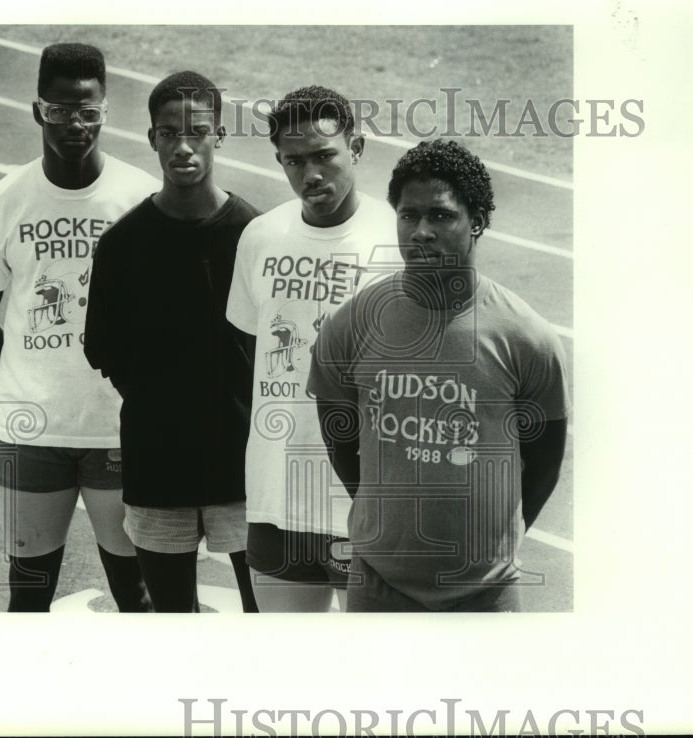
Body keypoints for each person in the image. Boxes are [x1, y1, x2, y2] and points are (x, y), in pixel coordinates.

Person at [307, 139, 570, 612]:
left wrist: (492, 543)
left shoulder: (526, 336)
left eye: (441, 216)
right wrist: (380, 517)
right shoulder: (352, 323)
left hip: (485, 594)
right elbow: (338, 434)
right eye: (408, 216)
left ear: (478, 222)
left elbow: (545, 461)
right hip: (379, 585)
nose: (421, 231)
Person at [0, 42, 157, 612]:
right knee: (28, 593)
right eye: (60, 109)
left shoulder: (138, 197)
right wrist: (22, 368)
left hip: (117, 428)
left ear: (105, 112)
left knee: (137, 594)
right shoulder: (3, 202)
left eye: (88, 112)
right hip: (32, 430)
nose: (75, 124)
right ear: (37, 110)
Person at [83, 71, 261, 613]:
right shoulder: (121, 245)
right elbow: (103, 349)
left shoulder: (255, 235)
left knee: (270, 620)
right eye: (168, 133)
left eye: (198, 132)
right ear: (152, 139)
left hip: (245, 468)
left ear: (219, 135)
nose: (183, 146)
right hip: (158, 465)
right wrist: (161, 396)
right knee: (172, 625)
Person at [225, 85, 397, 612]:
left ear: (358, 148)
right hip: (276, 497)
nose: (311, 175)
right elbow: (248, 351)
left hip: (364, 498)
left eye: (325, 156)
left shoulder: (397, 239)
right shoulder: (260, 235)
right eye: (294, 161)